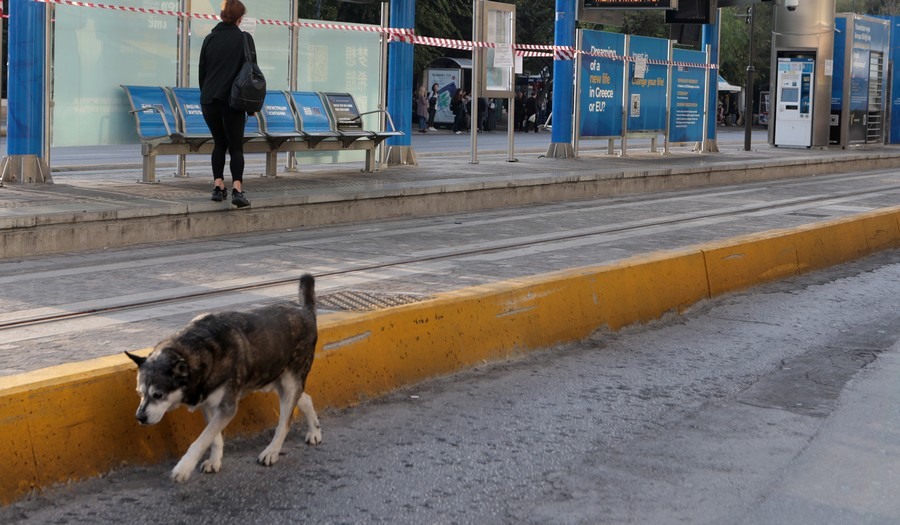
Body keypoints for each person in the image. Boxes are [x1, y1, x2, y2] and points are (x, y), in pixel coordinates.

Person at [199, 0, 254, 208]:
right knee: (236, 147)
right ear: (240, 18)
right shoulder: (244, 39)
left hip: (209, 101)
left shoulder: (209, 39)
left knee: (219, 143)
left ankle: (218, 186)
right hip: (233, 101)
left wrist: (207, 95)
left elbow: (202, 73)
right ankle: (237, 190)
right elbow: (251, 73)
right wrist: (252, 107)